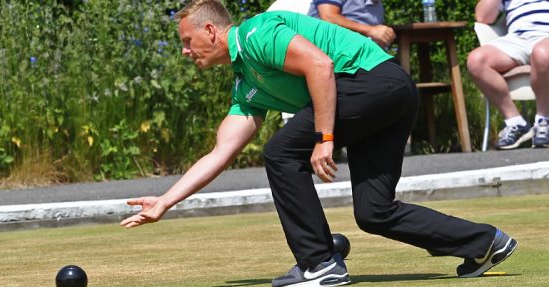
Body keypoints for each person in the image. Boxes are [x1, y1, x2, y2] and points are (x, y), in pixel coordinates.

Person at [119, 1, 517, 286]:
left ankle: (319, 264)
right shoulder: (246, 86)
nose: (185, 51)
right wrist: (165, 201)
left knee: (279, 152)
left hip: (372, 82)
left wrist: (324, 139)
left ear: (210, 31)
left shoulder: (258, 33)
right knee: (373, 212)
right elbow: (221, 152)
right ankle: (484, 243)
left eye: (187, 41)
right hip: (388, 94)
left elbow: (320, 65)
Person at [466, 0, 549, 150]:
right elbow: (482, 16)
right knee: (476, 61)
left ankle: (543, 121)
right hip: (517, 39)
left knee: (542, 53)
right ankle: (515, 122)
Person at [308, 0, 395, 48]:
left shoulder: (378, 5)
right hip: (325, 51)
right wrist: (371, 30)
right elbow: (328, 17)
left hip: (356, 56)